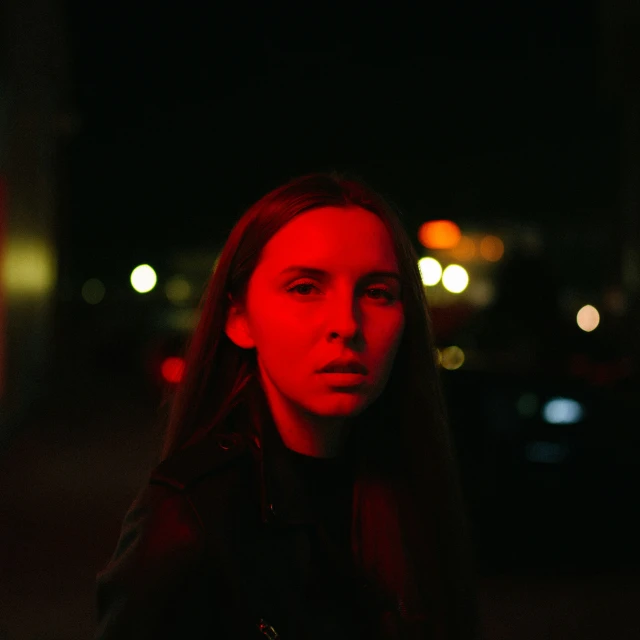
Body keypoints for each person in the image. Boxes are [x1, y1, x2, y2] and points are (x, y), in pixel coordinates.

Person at [94, 172, 480, 639]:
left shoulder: (418, 488)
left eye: (377, 292)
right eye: (305, 287)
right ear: (239, 319)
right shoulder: (187, 520)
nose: (346, 323)